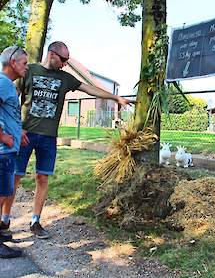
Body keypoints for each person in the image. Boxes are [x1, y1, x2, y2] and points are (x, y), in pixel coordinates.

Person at [1, 41, 132, 239]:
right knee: (15, 177)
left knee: (42, 177)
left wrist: (116, 99)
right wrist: (18, 129)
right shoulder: (29, 70)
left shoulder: (65, 78)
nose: (65, 63)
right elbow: (12, 101)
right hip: (26, 134)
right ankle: (5, 218)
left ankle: (36, 221)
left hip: (49, 137)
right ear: (52, 54)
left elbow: (90, 89)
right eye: (63, 59)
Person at [0, 46, 28, 258]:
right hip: (2, 151)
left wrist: (18, 132)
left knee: (4, 192)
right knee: (1, 195)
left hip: (8, 150)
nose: (26, 67)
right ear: (12, 63)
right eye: (24, 63)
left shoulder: (7, 85)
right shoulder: (2, 83)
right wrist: (2, 136)